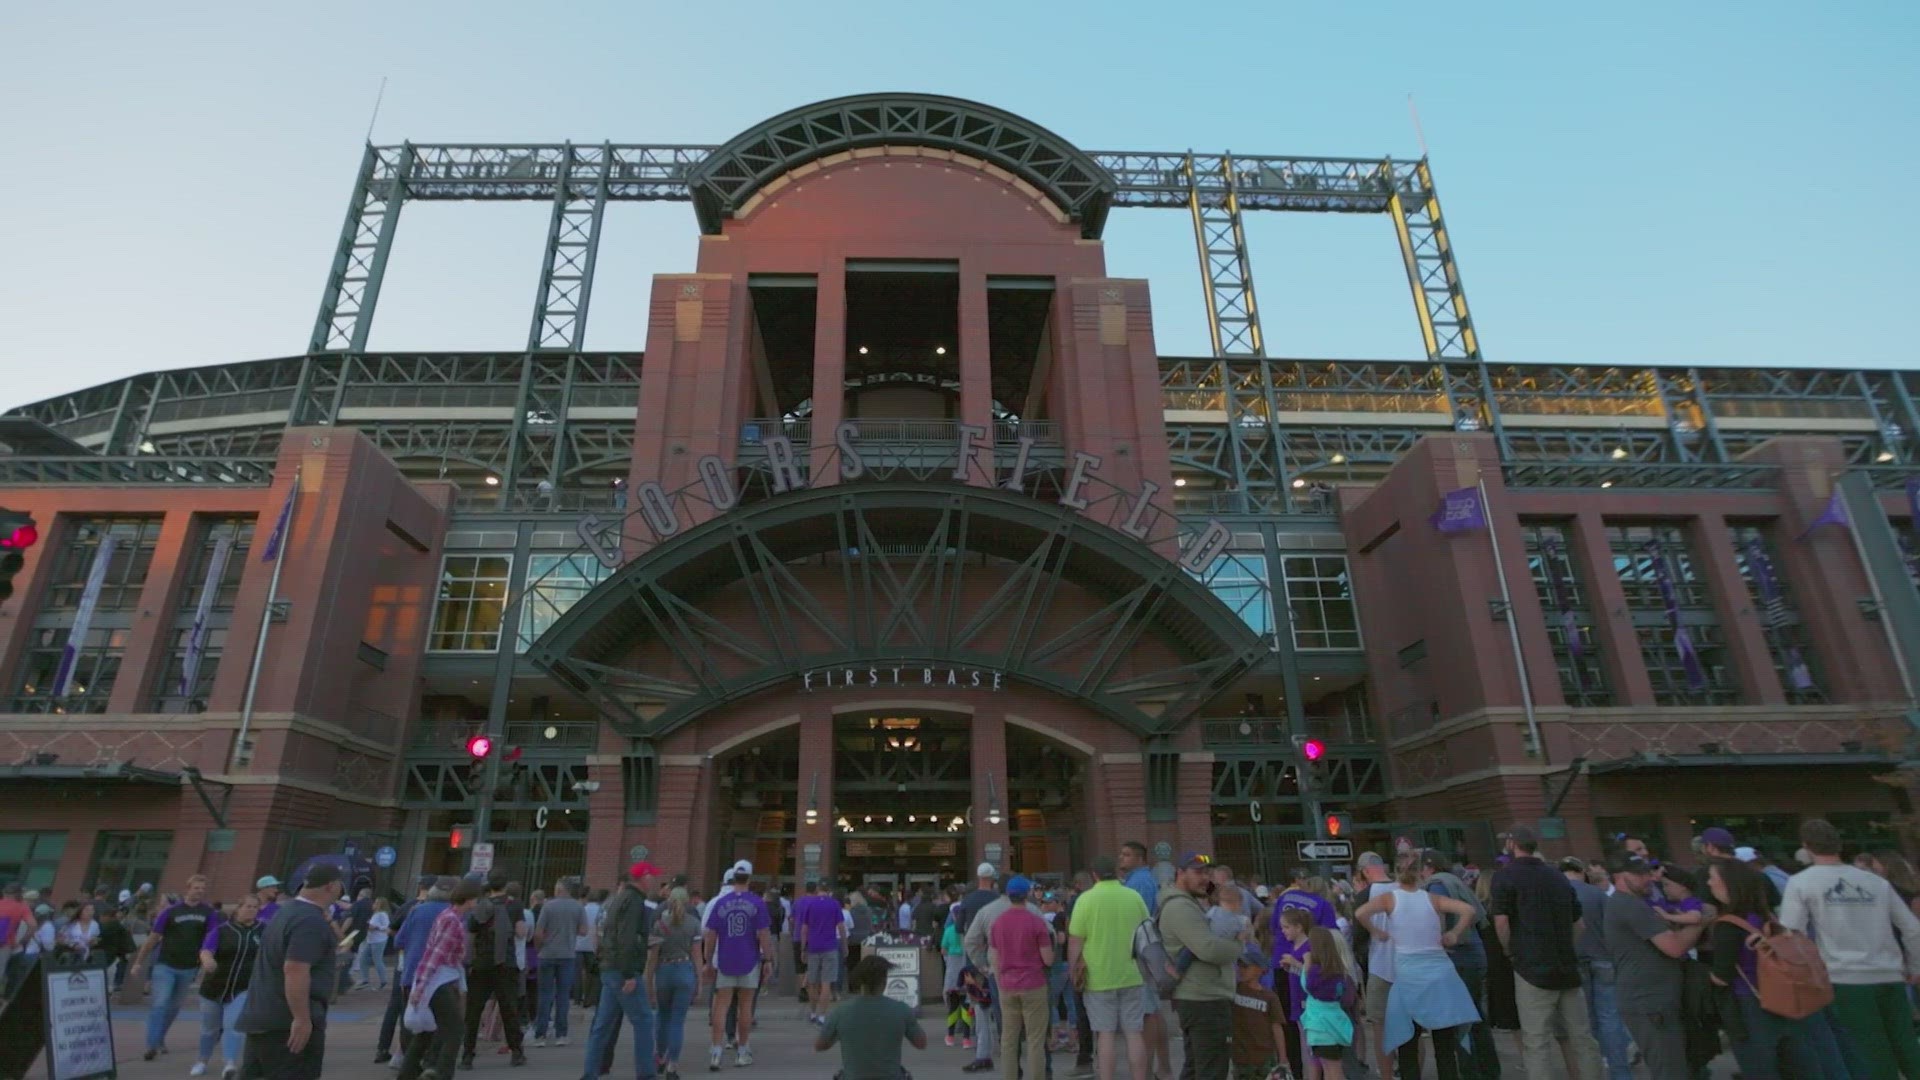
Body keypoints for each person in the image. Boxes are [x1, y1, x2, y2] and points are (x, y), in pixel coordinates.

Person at [1780, 818, 1920, 1077]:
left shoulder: (1801, 882)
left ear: (1806, 846)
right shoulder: (1875, 882)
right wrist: (1915, 966)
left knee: (1869, 1054)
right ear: (1840, 844)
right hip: (1889, 973)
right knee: (1907, 1045)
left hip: (1844, 977)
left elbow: (1792, 933)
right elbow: (1912, 928)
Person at [1706, 858, 1850, 1077]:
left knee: (1761, 1068)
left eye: (1712, 878)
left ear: (1728, 883)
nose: (1708, 883)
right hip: (1788, 998)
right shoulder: (1768, 918)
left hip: (1750, 1005)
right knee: (1801, 1065)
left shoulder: (1727, 926)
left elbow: (1722, 976)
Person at [1490, 827, 1603, 1080]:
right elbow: (1579, 924)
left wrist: (1509, 951)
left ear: (1512, 844)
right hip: (1566, 966)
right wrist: (1565, 948)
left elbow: (1501, 922)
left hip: (1531, 968)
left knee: (1537, 1041)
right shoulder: (1557, 876)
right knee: (1583, 1038)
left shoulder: (1505, 877)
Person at [1353, 857, 1481, 1080]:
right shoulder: (1432, 899)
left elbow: (1360, 913)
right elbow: (1468, 910)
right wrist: (1453, 933)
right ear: (1422, 873)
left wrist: (1377, 931)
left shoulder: (1389, 899)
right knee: (1444, 1042)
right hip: (1439, 973)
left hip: (1408, 975)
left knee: (1407, 1042)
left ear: (1395, 873)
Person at [234, 862, 344, 1080]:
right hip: (286, 1024)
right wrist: (301, 1018)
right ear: (331, 886)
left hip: (263, 1016)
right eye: (341, 886)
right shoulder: (309, 920)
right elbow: (295, 969)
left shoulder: (287, 912)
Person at [1601, 853, 1705, 1079]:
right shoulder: (1630, 905)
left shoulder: (1632, 904)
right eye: (1639, 875)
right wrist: (1701, 920)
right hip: (1649, 1002)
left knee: (1676, 1067)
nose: (1648, 878)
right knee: (1670, 1071)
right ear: (1619, 876)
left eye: (1648, 872)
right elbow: (1674, 947)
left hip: (1651, 1000)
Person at [1157, 854, 1242, 1080]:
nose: (1204, 878)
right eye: (1197, 872)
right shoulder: (1180, 907)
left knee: (1198, 1068)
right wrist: (1239, 945)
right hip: (1203, 999)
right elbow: (1209, 948)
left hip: (1201, 996)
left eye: (1206, 872)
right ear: (1180, 873)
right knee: (1211, 1069)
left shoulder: (1189, 903)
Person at [1069, 855, 1152, 1080]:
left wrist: (1072, 972)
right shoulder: (1133, 897)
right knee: (1134, 1033)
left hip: (1098, 977)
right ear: (1117, 871)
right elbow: (1147, 932)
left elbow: (1076, 941)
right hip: (1132, 973)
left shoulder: (1085, 900)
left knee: (1104, 1035)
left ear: (1094, 874)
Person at [396, 879, 483, 1080]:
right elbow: (436, 954)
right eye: (476, 899)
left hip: (437, 978)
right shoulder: (453, 920)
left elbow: (432, 951)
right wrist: (422, 985)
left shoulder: (448, 917)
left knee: (427, 1031)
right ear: (469, 899)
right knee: (454, 1030)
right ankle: (442, 1073)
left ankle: (408, 1073)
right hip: (440, 980)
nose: (477, 902)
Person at [581, 861, 658, 1080]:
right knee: (643, 1020)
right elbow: (627, 939)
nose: (653, 880)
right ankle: (646, 1073)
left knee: (603, 1024)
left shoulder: (618, 899)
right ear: (643, 878)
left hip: (610, 967)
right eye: (651, 876)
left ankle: (590, 1072)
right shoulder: (633, 902)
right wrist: (630, 974)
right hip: (622, 970)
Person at [1561, 857, 1631, 1080]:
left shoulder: (1559, 894)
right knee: (1610, 1018)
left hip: (1576, 960)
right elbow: (1615, 929)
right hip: (1604, 959)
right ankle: (1621, 1073)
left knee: (1585, 1022)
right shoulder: (1598, 894)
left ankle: (1594, 1070)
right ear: (1581, 871)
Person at [137, 873, 221, 1061]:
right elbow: (153, 938)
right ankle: (151, 1045)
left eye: (202, 889)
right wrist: (139, 962)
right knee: (160, 1003)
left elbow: (211, 940)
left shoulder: (209, 913)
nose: (199, 891)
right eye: (196, 888)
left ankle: (159, 1038)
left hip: (189, 966)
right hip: (165, 964)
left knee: (173, 1007)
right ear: (188, 889)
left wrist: (206, 963)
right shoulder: (171, 911)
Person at [703, 863, 771, 1070]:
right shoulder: (757, 903)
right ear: (749, 879)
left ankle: (716, 1051)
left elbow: (710, 934)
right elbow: (764, 934)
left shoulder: (721, 903)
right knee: (745, 1007)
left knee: (721, 1006)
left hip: (725, 960)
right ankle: (742, 1050)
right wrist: (768, 959)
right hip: (749, 959)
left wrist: (707, 961)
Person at [815, 954, 926, 1078]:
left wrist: (841, 1034)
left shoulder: (840, 1011)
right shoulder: (901, 1010)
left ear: (860, 982)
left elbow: (820, 1045)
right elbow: (921, 1043)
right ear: (884, 982)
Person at [989, 875, 1055, 1080]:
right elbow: (1048, 959)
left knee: (1009, 1040)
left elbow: (994, 958)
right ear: (1027, 894)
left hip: (1007, 985)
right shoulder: (1036, 922)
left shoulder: (998, 923)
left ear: (1008, 895)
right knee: (1035, 1040)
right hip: (1033, 984)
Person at [379, 877, 450, 1066]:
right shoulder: (451, 913)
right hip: (441, 974)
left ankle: (403, 1056)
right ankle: (431, 1059)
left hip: (411, 970)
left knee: (408, 1015)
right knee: (440, 1018)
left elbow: (397, 939)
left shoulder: (413, 910)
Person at [1118, 843, 1172, 1080]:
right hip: (1148, 949)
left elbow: (1135, 918)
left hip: (1141, 951)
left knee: (1148, 1012)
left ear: (1139, 858)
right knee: (1155, 1011)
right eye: (1122, 853)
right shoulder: (1142, 879)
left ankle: (1148, 1066)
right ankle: (1163, 1065)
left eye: (1127, 854)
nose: (1122, 857)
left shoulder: (1139, 882)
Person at [193, 896, 262, 1079]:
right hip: (214, 987)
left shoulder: (263, 931)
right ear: (238, 908)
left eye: (255, 907)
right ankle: (202, 1060)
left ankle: (229, 1063)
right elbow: (206, 950)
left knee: (233, 1025)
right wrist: (208, 961)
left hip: (243, 988)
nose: (252, 910)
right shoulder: (222, 930)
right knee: (210, 1029)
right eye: (248, 906)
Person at [464, 874, 529, 1069]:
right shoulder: (514, 905)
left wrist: (469, 961)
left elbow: (470, 937)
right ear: (505, 886)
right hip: (505, 963)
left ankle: (467, 1055)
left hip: (482, 963)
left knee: (474, 1010)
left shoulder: (479, 906)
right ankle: (516, 1052)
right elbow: (521, 932)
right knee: (509, 1008)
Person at [961, 870, 1013, 1075]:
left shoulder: (985, 909)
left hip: (990, 969)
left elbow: (968, 939)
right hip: (1025, 973)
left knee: (983, 1010)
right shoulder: (1032, 910)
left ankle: (985, 1054)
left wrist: (981, 964)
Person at [1285, 927, 1354, 1080]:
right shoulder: (1337, 969)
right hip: (1336, 1022)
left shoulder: (1316, 970)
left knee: (1332, 1069)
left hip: (1322, 1026)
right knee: (1331, 1068)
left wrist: (1307, 962)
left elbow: (1309, 986)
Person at [648, 887, 702, 1079]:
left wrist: (649, 982)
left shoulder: (659, 924)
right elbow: (697, 955)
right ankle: (672, 1066)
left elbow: (653, 957)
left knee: (662, 1016)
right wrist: (699, 982)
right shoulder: (694, 924)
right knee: (678, 1021)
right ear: (687, 902)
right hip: (684, 970)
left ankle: (659, 1056)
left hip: (664, 970)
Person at [535, 878, 588, 1047]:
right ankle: (561, 1034)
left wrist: (540, 948)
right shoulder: (578, 907)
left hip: (547, 954)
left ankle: (540, 1035)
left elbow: (538, 932)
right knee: (563, 996)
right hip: (567, 954)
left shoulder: (548, 906)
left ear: (558, 889)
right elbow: (583, 930)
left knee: (545, 995)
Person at [1229, 948, 1286, 1080]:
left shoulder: (1269, 997)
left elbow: (1277, 1027)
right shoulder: (1234, 990)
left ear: (1260, 969)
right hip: (1241, 1057)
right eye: (1240, 966)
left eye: (1246, 966)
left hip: (1264, 1057)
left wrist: (1283, 1057)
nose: (1241, 970)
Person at [798, 880, 846, 1026]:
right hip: (830, 947)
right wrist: (844, 945)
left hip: (813, 947)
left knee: (812, 982)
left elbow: (804, 929)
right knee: (826, 983)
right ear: (829, 890)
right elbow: (841, 927)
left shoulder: (810, 904)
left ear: (818, 889)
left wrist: (802, 948)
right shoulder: (834, 904)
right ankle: (822, 1016)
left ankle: (812, 1013)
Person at [356, 897, 392, 992]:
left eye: (376, 903)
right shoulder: (375, 914)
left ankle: (383, 980)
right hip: (371, 939)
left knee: (377, 960)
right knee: (363, 958)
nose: (374, 905)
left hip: (379, 940)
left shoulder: (382, 914)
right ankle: (365, 979)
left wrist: (376, 927)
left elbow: (386, 927)